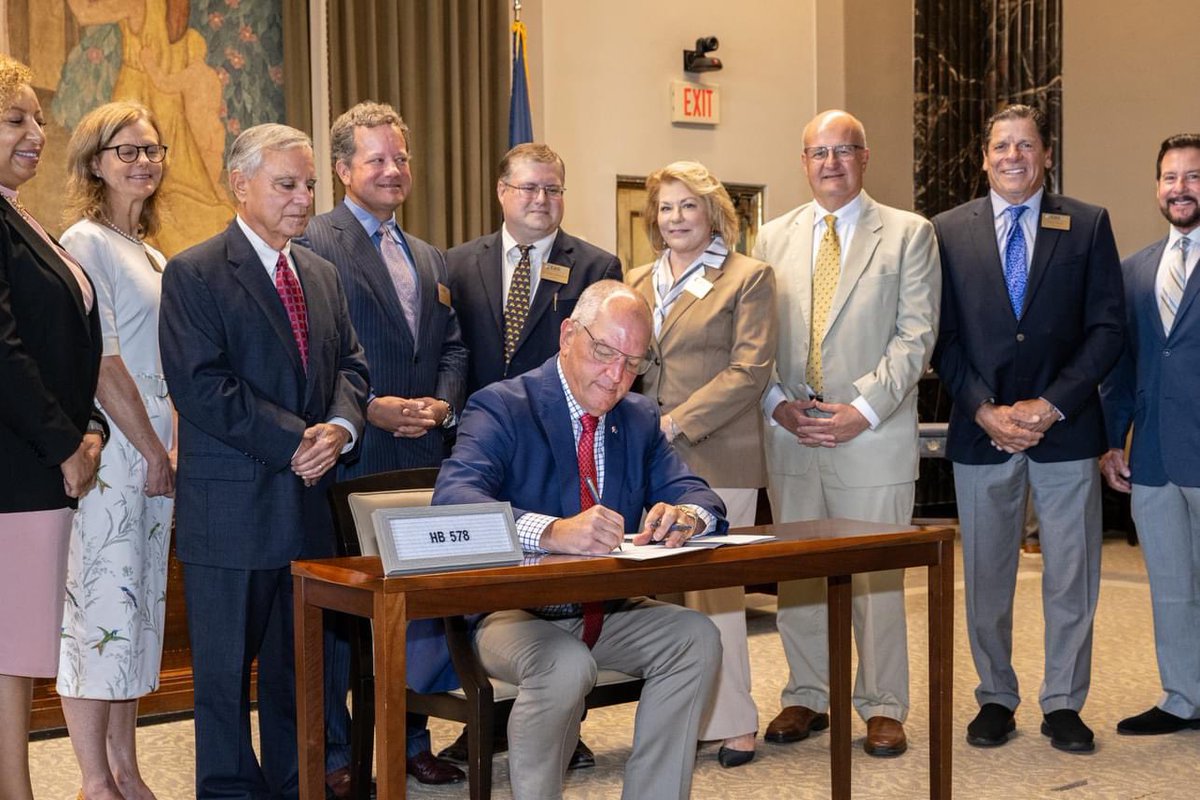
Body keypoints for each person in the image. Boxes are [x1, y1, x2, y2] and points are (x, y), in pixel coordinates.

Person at [432, 280, 724, 800]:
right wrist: (550, 531)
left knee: (694, 637)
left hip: (606, 606)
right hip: (510, 611)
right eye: (604, 352)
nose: (616, 377)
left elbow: (699, 495)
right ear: (568, 335)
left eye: (633, 363)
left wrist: (686, 516)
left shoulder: (638, 418)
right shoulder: (503, 405)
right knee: (565, 664)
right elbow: (454, 500)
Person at [159, 123, 369, 799]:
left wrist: (337, 427)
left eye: (309, 184)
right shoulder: (195, 272)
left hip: (307, 507)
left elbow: (353, 367)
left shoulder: (322, 274)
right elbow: (201, 386)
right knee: (222, 680)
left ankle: (293, 782)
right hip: (231, 511)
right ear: (240, 182)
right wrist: (296, 443)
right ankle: (226, 791)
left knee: (298, 673)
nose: (304, 198)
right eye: (287, 184)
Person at [932, 104, 1124, 753]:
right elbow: (942, 338)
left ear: (1046, 154)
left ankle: (1064, 701)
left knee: (1072, 574)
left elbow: (1107, 330)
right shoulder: (947, 231)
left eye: (1026, 144)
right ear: (984, 157)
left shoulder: (1088, 224)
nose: (1013, 155)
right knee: (986, 575)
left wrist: (1050, 405)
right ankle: (996, 696)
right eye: (1001, 146)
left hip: (1065, 431)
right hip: (980, 431)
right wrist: (985, 408)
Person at [754, 110, 940, 757]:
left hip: (871, 434)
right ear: (802, 162)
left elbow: (915, 336)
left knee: (877, 580)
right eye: (818, 152)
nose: (830, 162)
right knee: (799, 575)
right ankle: (807, 692)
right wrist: (775, 402)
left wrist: (862, 408)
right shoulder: (770, 238)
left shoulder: (909, 236)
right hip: (793, 434)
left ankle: (883, 705)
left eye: (843, 151)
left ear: (865, 157)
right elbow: (755, 339)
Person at [298, 101, 467, 792]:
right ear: (342, 169)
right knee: (348, 615)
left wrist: (443, 404)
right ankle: (338, 753)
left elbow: (453, 348)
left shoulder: (428, 255)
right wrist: (369, 408)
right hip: (354, 459)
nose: (393, 170)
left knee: (417, 604)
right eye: (377, 159)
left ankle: (409, 738)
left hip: (423, 461)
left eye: (400, 157)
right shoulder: (314, 241)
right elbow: (314, 358)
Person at [625, 160, 776, 768]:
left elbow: (750, 371)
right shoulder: (636, 278)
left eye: (689, 205)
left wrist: (673, 420)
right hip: (648, 458)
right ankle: (685, 718)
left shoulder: (748, 277)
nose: (676, 218)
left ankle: (737, 721)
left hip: (718, 453)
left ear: (713, 211)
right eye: (666, 207)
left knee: (718, 597)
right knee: (665, 603)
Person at [56, 101, 174, 800]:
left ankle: (127, 767)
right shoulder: (85, 241)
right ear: (95, 162)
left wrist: (171, 450)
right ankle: (95, 778)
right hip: (119, 451)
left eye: (152, 150)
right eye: (126, 151)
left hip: (159, 451)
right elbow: (103, 362)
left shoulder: (151, 251)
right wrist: (155, 449)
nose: (143, 162)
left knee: (137, 612)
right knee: (98, 611)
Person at [0, 53, 106, 800]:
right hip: (17, 466)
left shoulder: (17, 213)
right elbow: (2, 349)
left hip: (40, 459)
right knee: (9, 651)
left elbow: (68, 342)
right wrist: (65, 442)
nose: (36, 132)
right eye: (15, 119)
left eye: (37, 117)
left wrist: (91, 424)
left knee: (15, 649)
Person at [1100, 133, 1200, 737]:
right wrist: (1114, 441)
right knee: (1170, 588)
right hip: (1155, 458)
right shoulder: (1134, 269)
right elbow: (1121, 366)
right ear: (1157, 186)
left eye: (1193, 176)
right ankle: (1183, 697)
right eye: (1170, 177)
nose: (1181, 188)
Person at [446, 142, 622, 397]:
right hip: (474, 421)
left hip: (556, 424)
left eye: (552, 190)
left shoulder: (597, 269)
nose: (541, 199)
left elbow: (609, 359)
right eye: (529, 188)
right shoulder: (456, 263)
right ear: (501, 190)